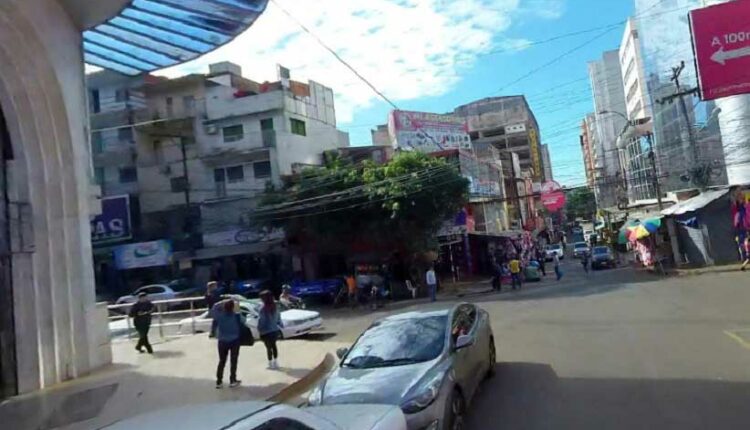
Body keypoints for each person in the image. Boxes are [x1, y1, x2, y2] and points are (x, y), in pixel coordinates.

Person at [212, 299, 245, 388]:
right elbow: (244, 321)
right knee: (233, 361)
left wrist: (221, 302)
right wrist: (238, 308)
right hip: (234, 340)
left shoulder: (220, 316)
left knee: (222, 361)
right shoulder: (236, 316)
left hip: (222, 341)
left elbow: (214, 308)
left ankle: (219, 382)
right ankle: (232, 380)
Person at [258, 290, 283, 369]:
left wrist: (259, 329)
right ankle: (276, 362)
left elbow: (261, 321)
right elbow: (278, 318)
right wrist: (279, 324)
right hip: (274, 330)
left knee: (268, 348)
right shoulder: (275, 306)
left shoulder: (262, 309)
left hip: (266, 331)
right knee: (274, 346)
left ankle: (270, 363)